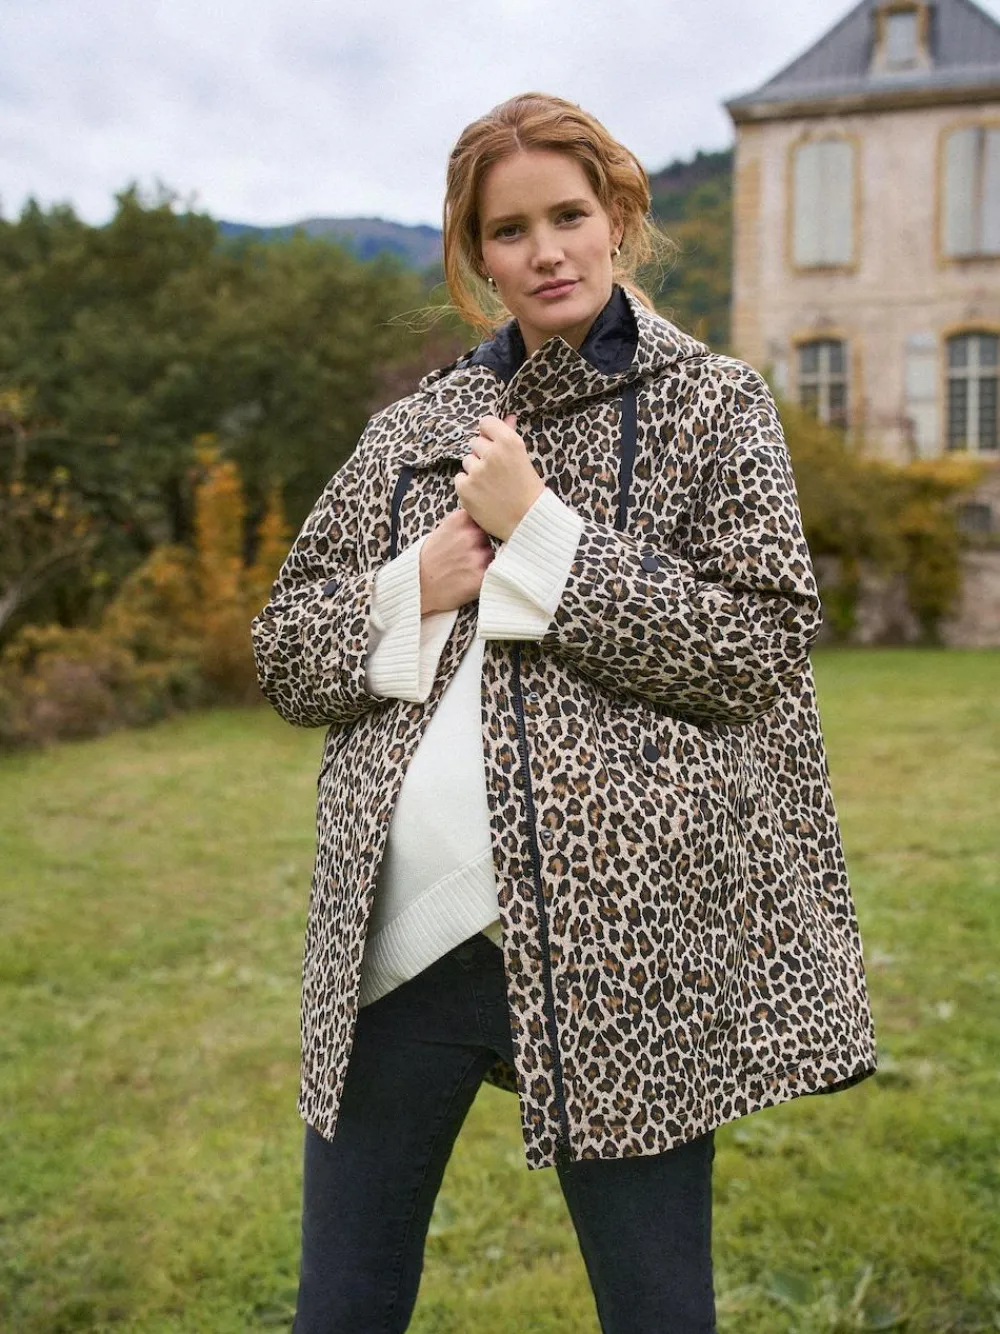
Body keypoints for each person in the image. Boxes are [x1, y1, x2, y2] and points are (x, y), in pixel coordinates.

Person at [251, 92, 876, 1334]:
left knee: (655, 1306)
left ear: (619, 220)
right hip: (402, 939)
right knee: (343, 1304)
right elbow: (284, 654)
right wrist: (413, 582)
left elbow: (756, 646)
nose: (544, 250)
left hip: (627, 944)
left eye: (569, 215)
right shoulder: (413, 431)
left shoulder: (715, 405)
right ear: (475, 256)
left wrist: (541, 531)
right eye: (509, 229)